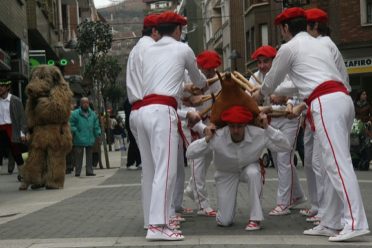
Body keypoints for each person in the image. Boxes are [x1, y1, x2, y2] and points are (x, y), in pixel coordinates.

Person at [253, 7, 369, 241]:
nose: (282, 34)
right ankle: (331, 221)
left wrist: (261, 92)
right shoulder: (323, 43)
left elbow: (273, 78)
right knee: (330, 164)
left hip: (325, 102)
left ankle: (355, 221)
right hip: (341, 99)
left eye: (282, 30)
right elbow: (303, 82)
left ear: (286, 28)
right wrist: (269, 90)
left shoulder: (289, 48)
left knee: (336, 163)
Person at [135, 11, 206, 241]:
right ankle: (158, 226)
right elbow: (198, 80)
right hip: (162, 111)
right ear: (177, 30)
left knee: (152, 170)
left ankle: (153, 222)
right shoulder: (182, 48)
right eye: (181, 29)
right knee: (166, 170)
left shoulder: (147, 50)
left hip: (143, 111)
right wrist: (202, 85)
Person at [186, 106, 291, 230]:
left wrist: (268, 128)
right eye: (232, 126)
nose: (236, 130)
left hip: (248, 167)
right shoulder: (218, 136)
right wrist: (207, 139)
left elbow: (286, 146)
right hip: (226, 172)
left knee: (254, 172)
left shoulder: (259, 134)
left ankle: (255, 219)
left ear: (246, 124)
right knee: (224, 221)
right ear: (227, 125)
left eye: (240, 126)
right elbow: (189, 153)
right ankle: (228, 209)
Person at [125, 13, 160, 231]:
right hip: (150, 108)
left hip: (136, 110)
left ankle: (150, 220)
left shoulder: (135, 49)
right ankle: (159, 220)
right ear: (155, 32)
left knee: (148, 169)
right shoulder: (151, 49)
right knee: (161, 169)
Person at [183, 50, 222, 217]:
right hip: (194, 123)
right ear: (199, 66)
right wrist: (192, 98)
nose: (210, 72)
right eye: (207, 69)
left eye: (213, 69)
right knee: (197, 163)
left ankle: (192, 189)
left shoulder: (218, 80)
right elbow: (183, 98)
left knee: (206, 160)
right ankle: (203, 204)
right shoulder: (191, 77)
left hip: (209, 123)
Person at [0, 80, 27, 180]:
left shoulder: (15, 100)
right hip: (0, 130)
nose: (0, 88)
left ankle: (23, 174)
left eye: (2, 86)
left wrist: (22, 133)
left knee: (17, 154)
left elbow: (22, 119)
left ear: (7, 87)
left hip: (12, 130)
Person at [69, 97, 101, 177]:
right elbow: (71, 124)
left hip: (90, 138)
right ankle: (78, 172)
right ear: (81, 104)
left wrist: (98, 133)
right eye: (84, 103)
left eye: (87, 102)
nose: (86, 104)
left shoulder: (93, 114)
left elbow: (96, 125)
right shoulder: (75, 113)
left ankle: (89, 171)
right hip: (79, 138)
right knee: (78, 156)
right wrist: (76, 131)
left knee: (90, 156)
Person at [124, 98, 141, 170]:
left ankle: (138, 161)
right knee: (133, 143)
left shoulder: (131, 100)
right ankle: (130, 162)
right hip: (131, 124)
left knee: (136, 143)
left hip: (133, 123)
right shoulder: (129, 101)